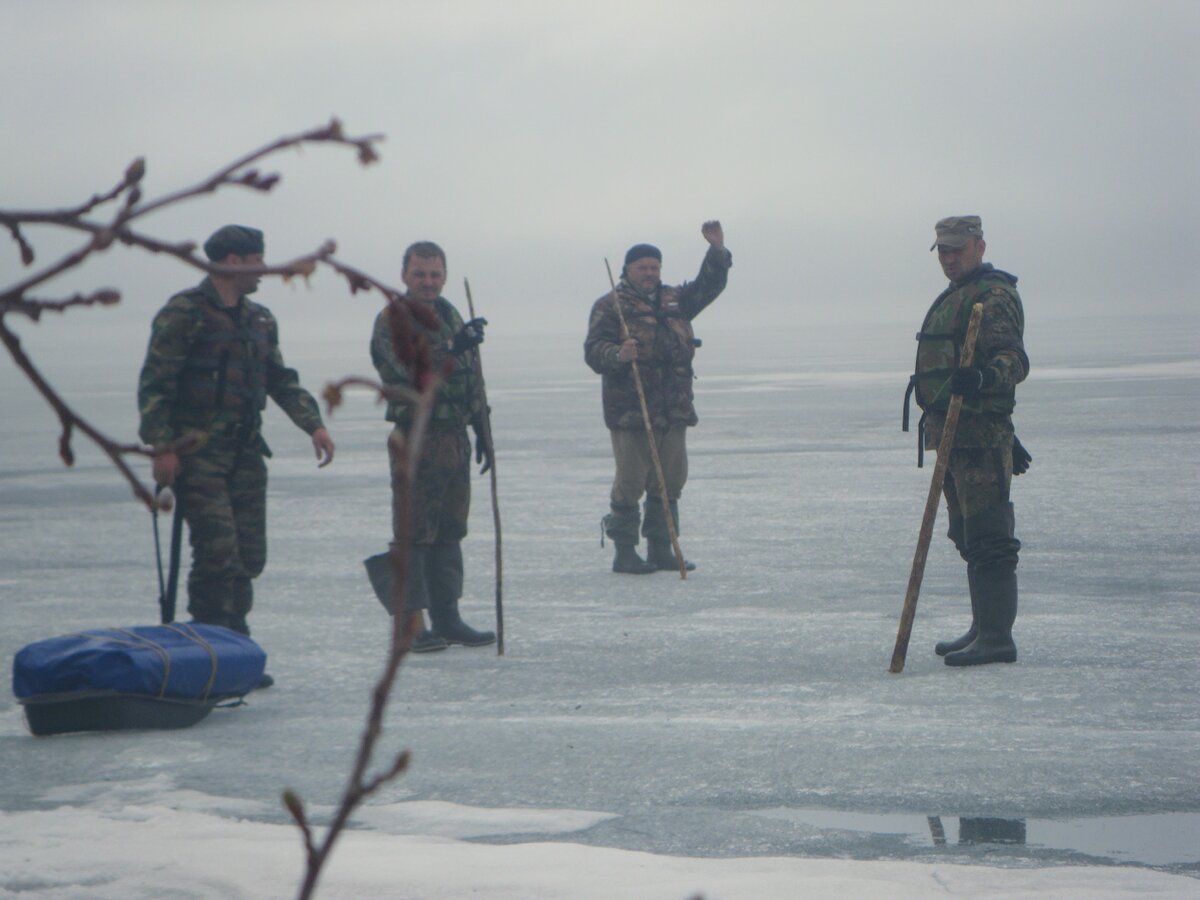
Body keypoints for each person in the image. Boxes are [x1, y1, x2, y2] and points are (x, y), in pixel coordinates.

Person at [138, 224, 335, 657]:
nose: (263, 270)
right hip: (198, 455)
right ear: (233, 262)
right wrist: (163, 446)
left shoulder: (258, 319)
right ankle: (213, 647)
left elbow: (279, 380)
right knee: (217, 552)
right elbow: (156, 384)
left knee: (248, 555)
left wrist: (313, 425)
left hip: (245, 453)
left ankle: (234, 644)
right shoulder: (184, 313)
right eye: (256, 261)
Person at [905, 215, 1030, 666]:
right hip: (953, 435)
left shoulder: (992, 297)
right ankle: (983, 626)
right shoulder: (961, 296)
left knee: (989, 536)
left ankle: (998, 637)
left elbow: (1013, 361)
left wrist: (981, 377)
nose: (950, 257)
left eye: (958, 248)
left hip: (980, 435)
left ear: (979, 245)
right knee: (966, 534)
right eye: (943, 250)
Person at [584, 221, 732, 574]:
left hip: (673, 407)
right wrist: (618, 354)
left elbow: (709, 286)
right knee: (631, 479)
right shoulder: (610, 306)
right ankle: (624, 552)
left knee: (670, 478)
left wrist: (717, 252)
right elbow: (592, 350)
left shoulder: (674, 300)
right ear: (628, 270)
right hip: (631, 409)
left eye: (654, 267)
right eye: (642, 268)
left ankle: (661, 548)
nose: (649, 273)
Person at [369, 240, 495, 652]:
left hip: (453, 438)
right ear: (404, 275)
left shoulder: (450, 314)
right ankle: (411, 625)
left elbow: (470, 377)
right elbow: (400, 369)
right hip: (417, 437)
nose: (428, 282)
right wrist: (451, 349)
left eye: (435, 274)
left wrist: (482, 430)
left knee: (449, 530)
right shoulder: (392, 318)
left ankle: (448, 617)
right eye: (420, 274)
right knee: (413, 532)